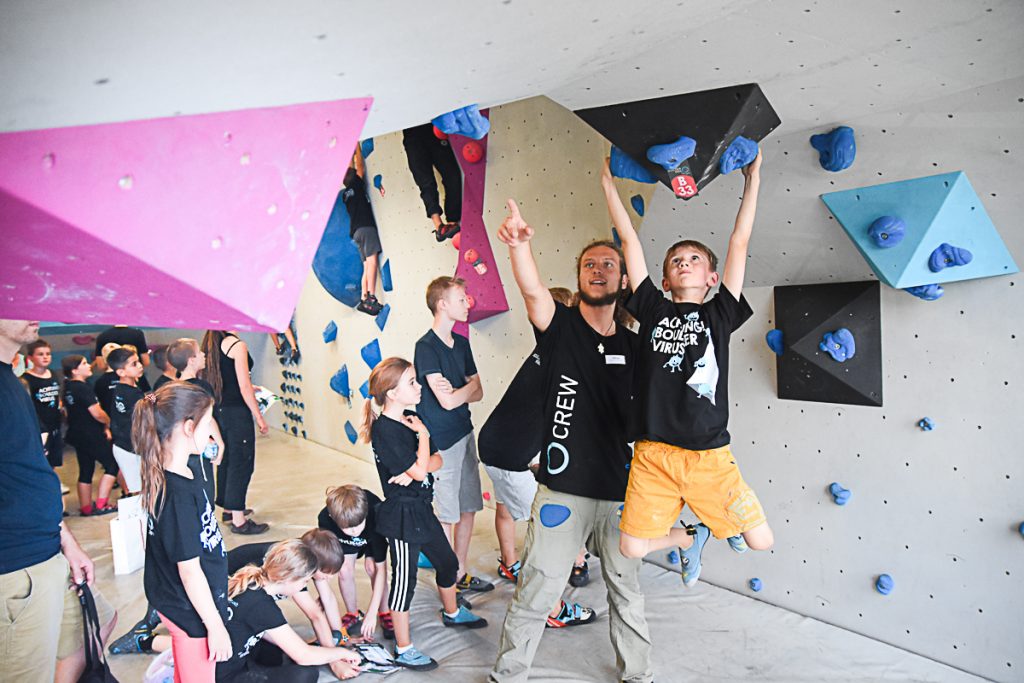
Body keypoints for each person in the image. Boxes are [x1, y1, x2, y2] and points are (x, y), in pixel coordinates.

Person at [489, 202, 653, 683]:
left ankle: (638, 675)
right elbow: (532, 289)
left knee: (626, 591)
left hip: (622, 494)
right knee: (537, 589)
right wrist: (520, 246)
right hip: (561, 491)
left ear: (624, 280)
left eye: (609, 264)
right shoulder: (560, 329)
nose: (599, 270)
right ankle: (508, 675)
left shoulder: (636, 344)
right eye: (589, 264)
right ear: (579, 277)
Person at [601, 152, 775, 586]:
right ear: (663, 281)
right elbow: (630, 242)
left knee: (761, 541)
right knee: (632, 547)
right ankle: (690, 536)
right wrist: (608, 184)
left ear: (712, 278)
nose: (683, 263)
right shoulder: (653, 309)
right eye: (676, 260)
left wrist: (752, 180)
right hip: (653, 453)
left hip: (708, 457)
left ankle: (715, 527)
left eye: (694, 259)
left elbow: (740, 241)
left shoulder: (720, 315)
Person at [1, 319, 118, 683]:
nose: (31, 307)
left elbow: (28, 469)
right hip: (17, 565)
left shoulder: (11, 380)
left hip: (47, 548)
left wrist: (67, 542)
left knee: (98, 624)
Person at [361, 357, 487, 671]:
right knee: (405, 584)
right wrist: (424, 444)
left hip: (422, 510)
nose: (419, 388)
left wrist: (420, 461)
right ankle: (404, 649)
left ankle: (453, 612)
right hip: (402, 518)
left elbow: (437, 461)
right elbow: (420, 469)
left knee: (447, 563)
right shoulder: (386, 431)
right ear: (391, 393)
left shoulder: (412, 418)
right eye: (412, 383)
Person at [136, 381, 231, 682]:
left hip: (187, 600)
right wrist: (214, 626)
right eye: (208, 424)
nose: (212, 434)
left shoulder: (181, 471)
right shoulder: (175, 494)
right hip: (190, 611)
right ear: (189, 427)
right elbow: (189, 572)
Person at [414, 276, 493, 594]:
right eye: (461, 298)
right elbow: (446, 400)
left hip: (465, 431)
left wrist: (462, 390)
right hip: (442, 440)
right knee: (446, 512)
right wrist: (466, 389)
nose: (467, 303)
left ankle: (459, 572)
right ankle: (447, 580)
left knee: (469, 505)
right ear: (442, 304)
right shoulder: (425, 348)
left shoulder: (462, 344)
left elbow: (479, 391)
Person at [219, 539, 361, 681]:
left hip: (232, 657)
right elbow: (303, 656)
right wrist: (342, 653)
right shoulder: (262, 606)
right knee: (305, 674)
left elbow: (265, 630)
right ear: (288, 579)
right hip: (226, 675)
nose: (303, 587)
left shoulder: (253, 585)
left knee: (276, 652)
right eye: (304, 582)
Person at [201, 331, 269, 535]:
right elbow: (243, 385)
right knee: (241, 462)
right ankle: (239, 520)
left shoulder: (211, 343)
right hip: (236, 412)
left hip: (220, 410)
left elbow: (226, 379)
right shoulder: (236, 345)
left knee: (228, 460)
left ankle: (230, 508)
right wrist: (259, 416)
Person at [317, 484, 393, 640]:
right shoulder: (325, 519)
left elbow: (381, 569)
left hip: (372, 534)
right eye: (348, 528)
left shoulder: (376, 514)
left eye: (358, 526)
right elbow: (330, 556)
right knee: (344, 570)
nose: (354, 531)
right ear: (333, 519)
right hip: (345, 539)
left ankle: (384, 611)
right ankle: (353, 613)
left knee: (372, 567)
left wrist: (372, 613)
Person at [62, 354, 119, 515]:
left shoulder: (68, 388)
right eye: (84, 363)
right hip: (91, 434)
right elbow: (97, 413)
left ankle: (86, 507)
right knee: (112, 465)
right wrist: (108, 423)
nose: (89, 366)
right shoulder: (82, 387)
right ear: (75, 370)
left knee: (86, 470)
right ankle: (101, 504)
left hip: (77, 434)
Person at [402, 122, 462, 241]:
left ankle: (452, 221)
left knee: (452, 176)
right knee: (426, 184)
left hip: (433, 129)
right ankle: (439, 225)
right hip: (412, 136)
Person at [343, 145, 385, 315]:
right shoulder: (356, 184)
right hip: (366, 228)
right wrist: (357, 148)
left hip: (356, 232)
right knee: (372, 261)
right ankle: (371, 297)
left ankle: (363, 298)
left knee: (367, 265)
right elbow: (360, 167)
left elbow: (351, 171)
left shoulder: (346, 193)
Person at [22, 339, 64, 473]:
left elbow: (57, 396)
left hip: (55, 425)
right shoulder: (26, 379)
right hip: (40, 427)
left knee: (54, 460)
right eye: (40, 354)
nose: (45, 357)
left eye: (48, 354)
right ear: (30, 358)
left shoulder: (53, 374)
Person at [108, 346, 147, 494]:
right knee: (139, 491)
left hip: (129, 445)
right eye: (134, 364)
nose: (140, 365)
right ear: (121, 372)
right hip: (129, 448)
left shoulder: (128, 389)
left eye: (138, 361)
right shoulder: (129, 394)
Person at [94, 324, 152, 391]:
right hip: (136, 380)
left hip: (109, 382)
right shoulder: (137, 334)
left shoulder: (102, 336)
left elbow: (101, 366)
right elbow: (146, 361)